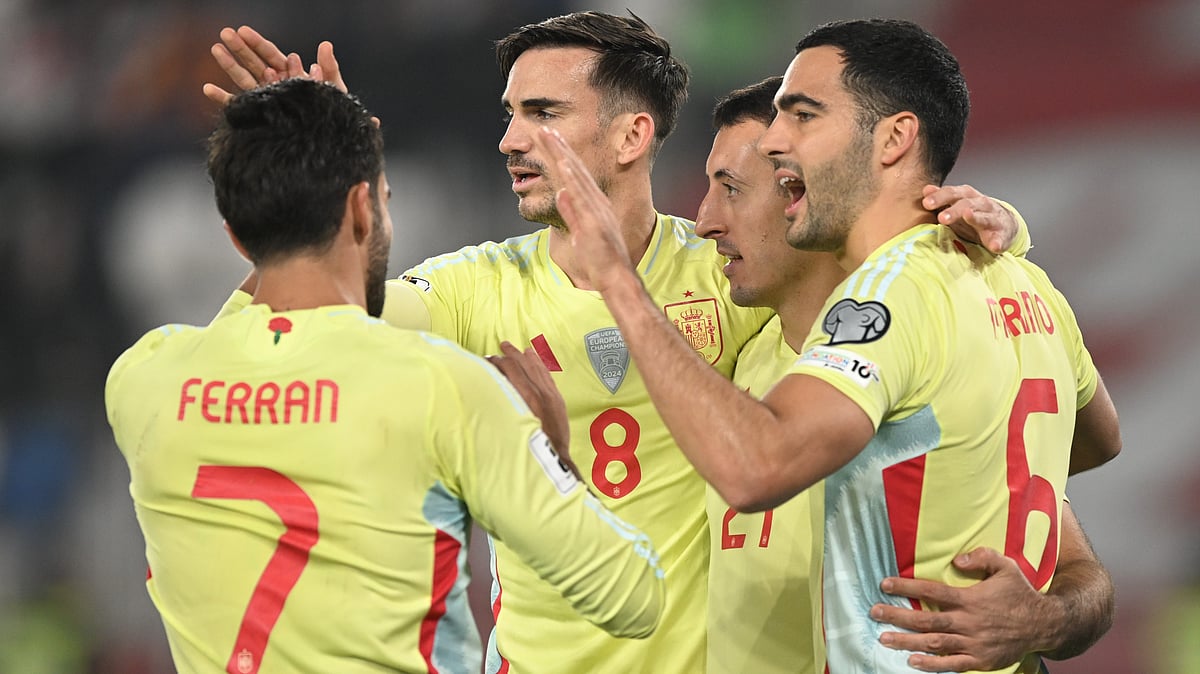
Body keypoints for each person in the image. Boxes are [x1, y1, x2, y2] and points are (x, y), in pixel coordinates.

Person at [202, 15, 1023, 673]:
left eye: (544, 114)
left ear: (632, 137)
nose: (510, 140)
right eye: (510, 115)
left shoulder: (732, 278)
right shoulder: (469, 290)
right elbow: (279, 329)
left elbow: (894, 281)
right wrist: (318, 173)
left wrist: (985, 228)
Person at [533, 18, 1121, 674]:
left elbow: (756, 466)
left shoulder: (891, 306)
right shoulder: (1019, 285)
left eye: (804, 117)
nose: (780, 144)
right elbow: (1090, 442)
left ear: (894, 138)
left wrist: (617, 276)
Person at [104, 78, 666, 674]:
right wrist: (554, 459)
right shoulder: (444, 387)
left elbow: (240, 337)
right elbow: (633, 599)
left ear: (237, 238)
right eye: (386, 199)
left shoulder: (145, 380)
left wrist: (289, 153)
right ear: (360, 210)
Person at [697, 76, 1115, 673]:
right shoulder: (736, 350)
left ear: (800, 194)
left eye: (732, 189)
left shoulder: (930, 350)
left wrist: (1043, 620)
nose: (705, 221)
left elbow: (1081, 573)